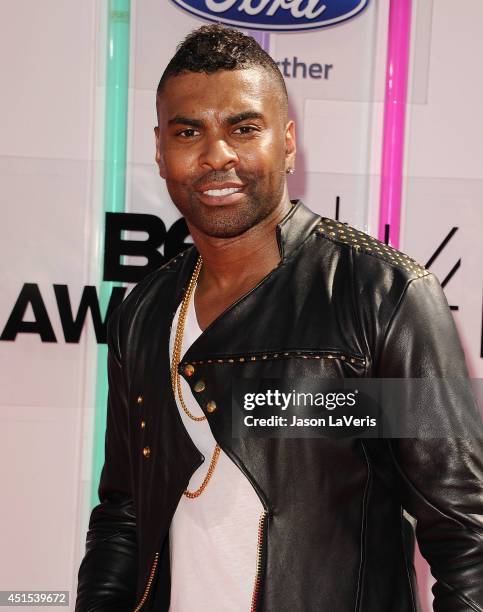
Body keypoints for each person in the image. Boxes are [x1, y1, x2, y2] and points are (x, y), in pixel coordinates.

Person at [75, 25, 483, 612]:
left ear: (287, 143)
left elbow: (464, 534)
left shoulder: (381, 297)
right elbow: (122, 516)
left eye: (244, 129)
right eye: (189, 132)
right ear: (160, 150)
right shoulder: (144, 311)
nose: (217, 156)